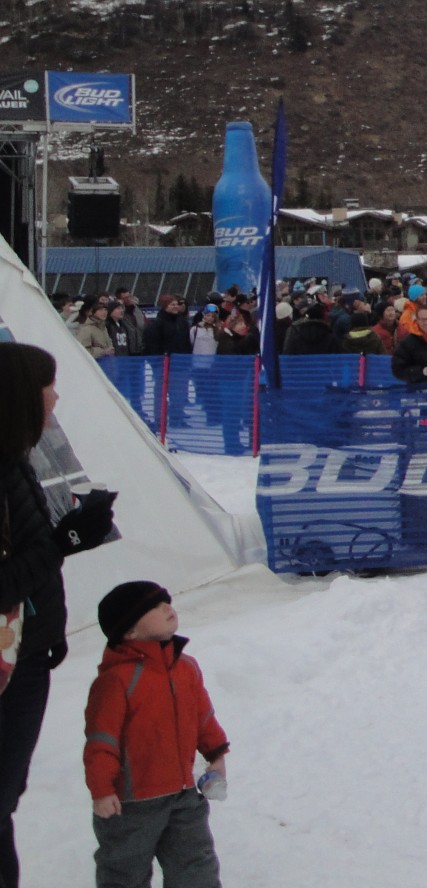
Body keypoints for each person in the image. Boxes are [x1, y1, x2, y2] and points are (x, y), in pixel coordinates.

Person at [1, 345, 115, 887]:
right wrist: (63, 541)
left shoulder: (14, 458)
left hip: (23, 654)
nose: (56, 396)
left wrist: (47, 630)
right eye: (48, 385)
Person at [84, 583, 228, 888]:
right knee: (125, 872)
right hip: (131, 804)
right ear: (130, 631)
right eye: (154, 606)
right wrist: (102, 790)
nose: (167, 608)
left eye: (166, 601)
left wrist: (216, 754)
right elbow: (102, 740)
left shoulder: (186, 667)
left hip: (184, 794)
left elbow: (202, 717)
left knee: (195, 866)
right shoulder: (116, 680)